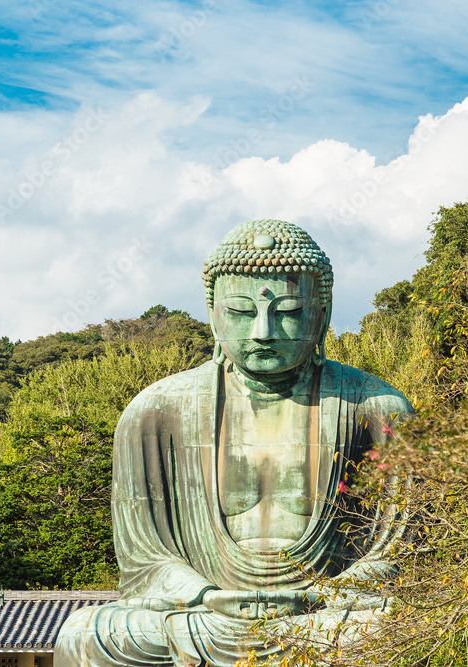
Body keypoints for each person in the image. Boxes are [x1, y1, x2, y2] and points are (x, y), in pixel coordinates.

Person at [54, 220, 413, 667]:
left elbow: (400, 550)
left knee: (392, 629)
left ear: (322, 314)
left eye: (288, 311)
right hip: (205, 616)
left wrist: (325, 594)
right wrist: (205, 594)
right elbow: (145, 561)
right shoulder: (155, 411)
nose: (263, 331)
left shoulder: (376, 408)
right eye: (242, 312)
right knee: (86, 635)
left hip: (323, 617)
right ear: (213, 315)